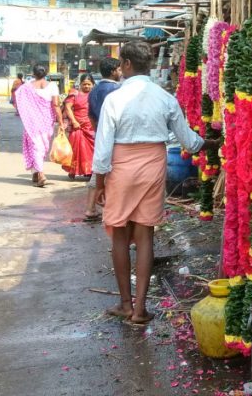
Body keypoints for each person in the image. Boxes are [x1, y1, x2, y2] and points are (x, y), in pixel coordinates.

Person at [92, 43, 211, 325]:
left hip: (120, 168)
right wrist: (208, 144)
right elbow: (189, 140)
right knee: (145, 235)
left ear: (127, 64)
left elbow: (103, 148)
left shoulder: (115, 98)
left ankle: (125, 303)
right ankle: (140, 309)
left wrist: (99, 183)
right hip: (152, 166)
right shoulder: (164, 98)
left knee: (119, 235)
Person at [14, 64, 64, 187]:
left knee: (37, 147)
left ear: (33, 73)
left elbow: (17, 99)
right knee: (41, 147)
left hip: (32, 121)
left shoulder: (26, 87)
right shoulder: (52, 86)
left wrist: (27, 112)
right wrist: (61, 123)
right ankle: (40, 174)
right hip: (47, 121)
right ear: (46, 73)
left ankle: (36, 172)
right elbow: (56, 105)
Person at [86, 58, 121, 215]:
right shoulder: (117, 90)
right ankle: (112, 211)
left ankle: (90, 209)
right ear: (113, 71)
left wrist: (97, 133)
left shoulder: (94, 90)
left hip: (100, 133)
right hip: (116, 137)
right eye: (119, 70)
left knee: (98, 171)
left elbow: (91, 116)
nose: (121, 72)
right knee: (114, 174)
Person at [63, 75, 96, 182]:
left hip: (90, 125)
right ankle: (72, 171)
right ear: (80, 84)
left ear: (93, 84)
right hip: (77, 125)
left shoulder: (95, 95)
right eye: (84, 84)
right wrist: (74, 121)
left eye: (89, 84)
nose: (86, 86)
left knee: (91, 150)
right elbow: (68, 107)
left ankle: (89, 171)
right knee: (75, 148)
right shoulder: (74, 94)